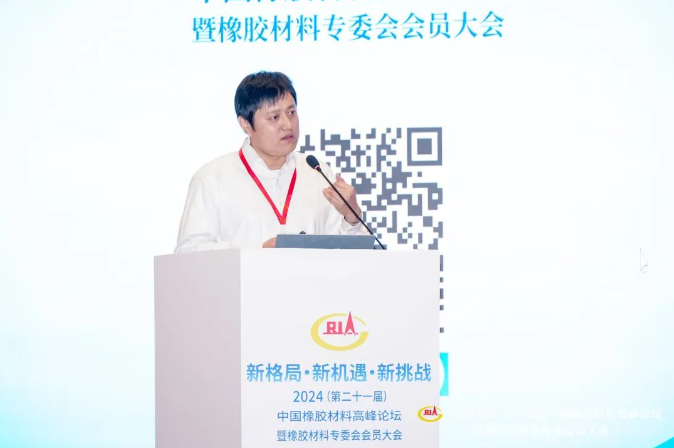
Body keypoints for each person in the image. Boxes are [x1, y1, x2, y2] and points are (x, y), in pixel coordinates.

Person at [175, 71, 367, 253]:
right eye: (274, 117)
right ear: (246, 124)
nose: (288, 125)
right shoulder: (212, 178)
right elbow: (189, 251)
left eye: (291, 113)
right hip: (244, 279)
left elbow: (353, 257)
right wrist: (257, 252)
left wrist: (351, 216)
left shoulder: (317, 171)